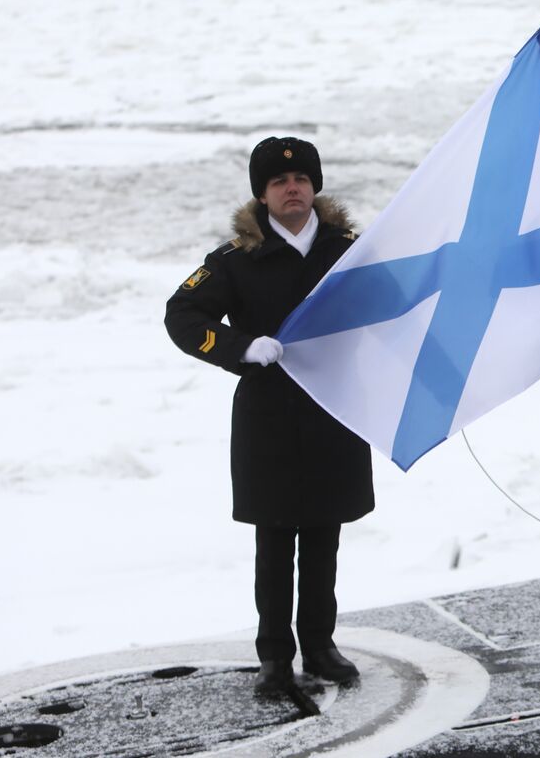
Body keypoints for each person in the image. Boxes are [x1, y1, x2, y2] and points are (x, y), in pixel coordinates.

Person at [165, 137, 374, 691]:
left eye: (302, 179)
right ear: (263, 193)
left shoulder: (350, 250)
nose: (292, 188)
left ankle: (321, 646)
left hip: (335, 412)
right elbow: (182, 313)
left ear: (315, 187)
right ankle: (275, 657)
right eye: (280, 182)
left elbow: (390, 303)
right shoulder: (237, 258)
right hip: (269, 420)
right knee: (276, 544)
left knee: (325, 537)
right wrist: (240, 347)